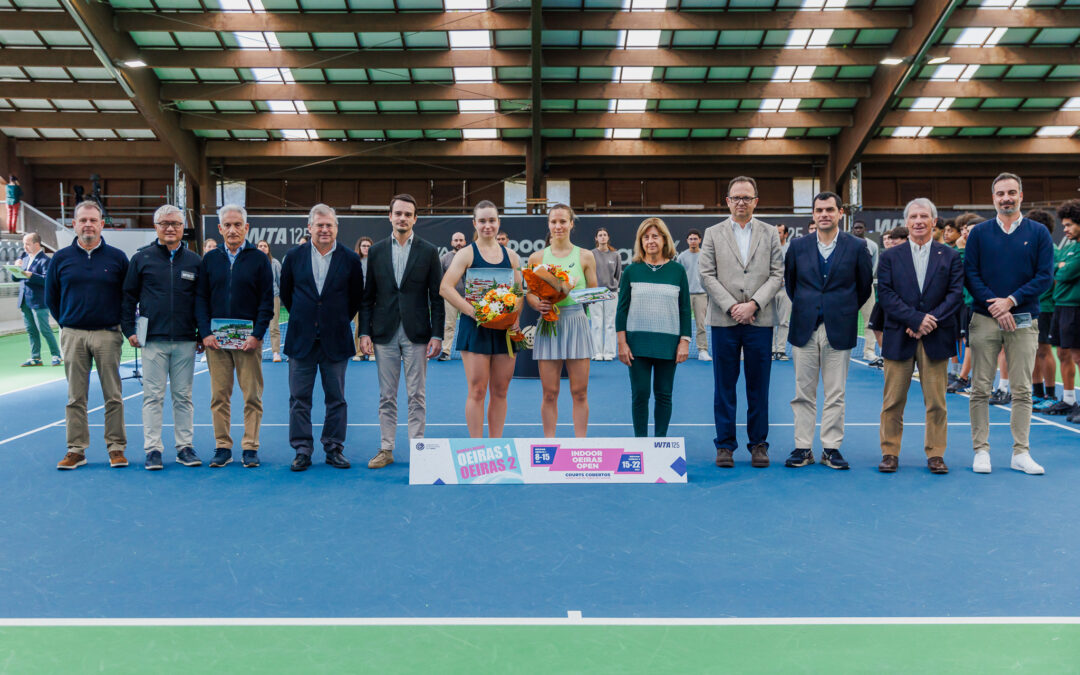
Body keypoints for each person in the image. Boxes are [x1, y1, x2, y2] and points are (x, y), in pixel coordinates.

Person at [965, 173, 1054, 475]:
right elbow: (971, 275)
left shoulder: (1039, 232)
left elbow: (1044, 276)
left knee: (1022, 389)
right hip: (984, 318)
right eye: (1001, 193)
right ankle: (981, 450)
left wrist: (1011, 301)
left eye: (1011, 193)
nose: (1006, 198)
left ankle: (1021, 452)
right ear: (993, 198)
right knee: (980, 388)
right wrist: (995, 304)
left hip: (1023, 320)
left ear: (1021, 195)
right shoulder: (979, 233)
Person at [783, 192, 873, 470]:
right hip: (804, 328)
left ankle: (831, 448)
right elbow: (791, 284)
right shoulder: (798, 247)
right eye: (819, 210)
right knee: (803, 392)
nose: (824, 214)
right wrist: (809, 307)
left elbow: (864, 286)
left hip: (840, 328)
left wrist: (842, 310)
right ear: (813, 214)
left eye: (829, 210)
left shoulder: (857, 247)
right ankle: (803, 447)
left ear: (840, 213)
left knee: (836, 393)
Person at [699, 176, 784, 468]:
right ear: (727, 201)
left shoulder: (771, 233)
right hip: (724, 321)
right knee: (724, 386)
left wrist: (754, 305)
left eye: (747, 198)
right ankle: (725, 445)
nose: (741, 203)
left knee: (758, 387)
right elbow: (706, 274)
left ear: (756, 201)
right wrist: (733, 306)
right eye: (736, 197)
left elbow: (777, 274)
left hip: (760, 320)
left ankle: (758, 444)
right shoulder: (712, 233)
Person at [876, 198, 964, 474]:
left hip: (935, 337)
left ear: (933, 221)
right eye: (913, 216)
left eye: (924, 216)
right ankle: (890, 452)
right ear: (906, 222)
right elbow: (886, 295)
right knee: (892, 401)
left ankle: (935, 454)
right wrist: (914, 319)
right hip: (899, 336)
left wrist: (929, 321)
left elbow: (955, 294)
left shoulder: (949, 256)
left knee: (936, 402)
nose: (918, 221)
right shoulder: (890, 256)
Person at [359, 194, 445, 469]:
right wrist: (364, 332)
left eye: (408, 214)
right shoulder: (376, 251)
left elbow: (436, 297)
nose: (402, 218)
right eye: (398, 213)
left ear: (415, 219)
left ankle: (418, 447)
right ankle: (386, 448)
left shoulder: (429, 251)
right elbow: (367, 297)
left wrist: (437, 334)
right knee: (386, 395)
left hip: (417, 333)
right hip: (383, 332)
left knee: (416, 394)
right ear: (390, 216)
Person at [45, 201, 130, 470]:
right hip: (73, 335)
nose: (88, 225)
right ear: (74, 224)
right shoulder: (60, 258)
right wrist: (69, 324)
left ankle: (116, 448)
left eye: (93, 220)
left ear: (102, 224)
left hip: (108, 335)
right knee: (75, 397)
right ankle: (76, 450)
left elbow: (127, 297)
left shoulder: (117, 258)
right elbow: (52, 298)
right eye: (83, 220)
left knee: (113, 395)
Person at [281, 204, 365, 472]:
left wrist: (334, 319)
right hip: (301, 339)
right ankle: (302, 449)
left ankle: (333, 447)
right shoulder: (293, 257)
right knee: (299, 399)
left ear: (337, 228)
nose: (325, 229)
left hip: (336, 339)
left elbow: (355, 299)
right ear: (310, 228)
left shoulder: (351, 259)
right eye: (319, 225)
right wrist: (307, 318)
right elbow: (287, 294)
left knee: (337, 398)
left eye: (329, 225)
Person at [121, 205, 203, 470]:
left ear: (183, 228)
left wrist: (202, 333)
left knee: (183, 397)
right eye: (164, 223)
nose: (170, 228)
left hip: (185, 340)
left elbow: (202, 301)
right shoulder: (141, 259)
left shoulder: (194, 261)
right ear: (156, 227)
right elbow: (128, 296)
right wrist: (129, 330)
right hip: (152, 340)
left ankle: (185, 447)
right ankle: (153, 449)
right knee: (153, 396)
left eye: (176, 224)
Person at [196, 204, 274, 469]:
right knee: (219, 397)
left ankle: (250, 447)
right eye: (227, 225)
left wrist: (257, 334)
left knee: (252, 396)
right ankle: (223, 446)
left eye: (237, 224)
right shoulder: (209, 259)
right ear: (220, 229)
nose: (232, 230)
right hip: (216, 343)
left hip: (248, 343)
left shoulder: (259, 259)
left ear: (246, 228)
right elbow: (201, 298)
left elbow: (266, 301)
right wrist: (205, 332)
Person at [441, 201, 522, 438]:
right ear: (474, 223)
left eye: (492, 220)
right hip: (475, 328)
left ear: (499, 222)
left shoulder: (512, 256)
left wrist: (514, 317)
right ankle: (476, 446)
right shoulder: (466, 254)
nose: (488, 226)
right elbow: (445, 287)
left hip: (505, 329)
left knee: (501, 390)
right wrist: (472, 310)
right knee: (477, 390)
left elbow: (518, 293)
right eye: (483, 221)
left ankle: (494, 444)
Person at [527, 204, 599, 438]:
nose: (558, 226)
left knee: (579, 392)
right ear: (548, 225)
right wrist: (538, 304)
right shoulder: (537, 257)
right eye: (553, 222)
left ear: (571, 224)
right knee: (549, 393)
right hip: (548, 324)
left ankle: (580, 445)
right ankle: (549, 444)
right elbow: (528, 293)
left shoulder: (586, 256)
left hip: (576, 323)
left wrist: (569, 292)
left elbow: (594, 293)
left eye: (562, 222)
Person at [616, 218, 691, 437]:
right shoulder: (631, 270)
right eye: (646, 237)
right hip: (636, 345)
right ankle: (641, 444)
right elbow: (621, 310)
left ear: (664, 239)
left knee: (664, 394)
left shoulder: (677, 271)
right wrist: (622, 343)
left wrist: (684, 342)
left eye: (655, 236)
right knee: (640, 394)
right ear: (640, 242)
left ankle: (659, 445)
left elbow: (685, 309)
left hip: (668, 345)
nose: (651, 241)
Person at [1026, 209, 1065, 411]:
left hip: (1046, 307)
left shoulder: (1052, 249)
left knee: (1043, 349)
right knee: (1032, 350)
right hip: (1030, 306)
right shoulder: (1031, 248)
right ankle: (1038, 392)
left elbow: (1056, 280)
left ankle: (1050, 393)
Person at [1051, 200, 1080, 422]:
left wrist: (1060, 268)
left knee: (1078, 356)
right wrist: (1059, 267)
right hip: (1061, 306)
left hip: (1075, 307)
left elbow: (1065, 274)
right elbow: (1056, 267)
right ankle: (1069, 400)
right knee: (1062, 353)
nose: (1066, 229)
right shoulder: (1068, 246)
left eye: (1069, 225)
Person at [17, 232, 62, 367]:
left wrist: (31, 275)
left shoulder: (45, 261)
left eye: (27, 244)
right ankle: (36, 358)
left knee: (44, 329)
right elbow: (16, 277)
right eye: (24, 244)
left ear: (36, 245)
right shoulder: (24, 258)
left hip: (38, 301)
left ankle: (56, 355)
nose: (24, 247)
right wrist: (16, 269)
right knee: (31, 330)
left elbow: (47, 280)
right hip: (24, 301)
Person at [675, 229, 710, 362]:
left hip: (701, 295)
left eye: (695, 239)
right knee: (683, 323)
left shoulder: (706, 255)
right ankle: (680, 348)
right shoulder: (682, 257)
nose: (693, 241)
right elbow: (678, 276)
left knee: (701, 324)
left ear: (700, 240)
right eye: (691, 239)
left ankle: (702, 350)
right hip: (685, 295)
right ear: (687, 241)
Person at [590, 227, 621, 361]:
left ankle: (609, 353)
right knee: (596, 323)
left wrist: (613, 287)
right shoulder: (591, 254)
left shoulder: (616, 255)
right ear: (596, 239)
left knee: (610, 324)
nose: (602, 237)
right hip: (595, 293)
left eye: (605, 235)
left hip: (611, 293)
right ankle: (596, 352)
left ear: (608, 238)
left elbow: (618, 274)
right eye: (600, 235)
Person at [852, 219, 881, 365]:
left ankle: (869, 351)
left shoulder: (873, 245)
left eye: (860, 228)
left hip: (866, 287)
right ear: (852, 229)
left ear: (865, 229)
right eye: (855, 228)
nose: (858, 230)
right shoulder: (845, 244)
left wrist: (865, 281)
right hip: (848, 288)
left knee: (870, 320)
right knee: (842, 319)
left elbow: (873, 266)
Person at [438, 231, 467, 361]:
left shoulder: (469, 257)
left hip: (468, 298)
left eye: (461, 240)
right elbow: (439, 278)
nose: (459, 243)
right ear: (451, 242)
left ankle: (469, 350)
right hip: (450, 297)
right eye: (456, 240)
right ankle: (446, 351)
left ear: (465, 242)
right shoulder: (444, 258)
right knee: (449, 325)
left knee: (469, 325)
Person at [256, 240, 283, 363]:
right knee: (256, 326)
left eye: (265, 246)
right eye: (260, 246)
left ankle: (276, 352)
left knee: (274, 326)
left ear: (268, 249)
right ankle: (257, 352)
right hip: (256, 299)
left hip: (273, 298)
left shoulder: (275, 263)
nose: (262, 248)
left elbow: (279, 281)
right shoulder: (252, 262)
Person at [772, 223, 792, 361]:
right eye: (775, 232)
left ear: (785, 234)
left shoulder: (792, 248)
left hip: (786, 290)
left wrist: (787, 280)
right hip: (771, 291)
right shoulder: (768, 247)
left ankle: (781, 350)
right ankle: (772, 350)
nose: (777, 234)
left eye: (779, 232)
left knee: (784, 321)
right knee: (771, 321)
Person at [352, 236, 374, 361]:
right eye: (364, 246)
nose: (366, 248)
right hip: (358, 299)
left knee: (373, 325)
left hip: (373, 299)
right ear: (359, 248)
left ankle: (372, 352)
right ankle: (359, 352)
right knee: (358, 326)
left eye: (368, 246)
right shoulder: (355, 262)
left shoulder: (375, 261)